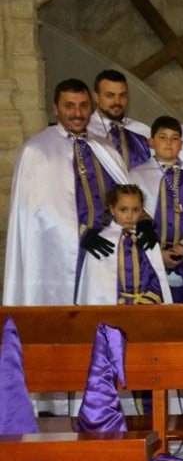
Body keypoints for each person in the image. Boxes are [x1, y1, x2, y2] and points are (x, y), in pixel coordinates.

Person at [4, 78, 130, 306]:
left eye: (83, 105)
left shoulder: (105, 147)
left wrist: (139, 221)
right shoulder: (38, 150)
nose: (77, 113)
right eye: (69, 106)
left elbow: (123, 194)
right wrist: (81, 233)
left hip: (106, 251)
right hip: (60, 254)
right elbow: (37, 213)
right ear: (56, 108)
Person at [129, 115, 183, 303]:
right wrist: (159, 254)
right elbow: (134, 215)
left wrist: (182, 248)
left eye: (174, 138)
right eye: (163, 137)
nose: (169, 143)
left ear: (181, 144)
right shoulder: (137, 175)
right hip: (151, 256)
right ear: (151, 142)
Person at [77, 184, 172, 305]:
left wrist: (147, 300)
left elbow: (156, 277)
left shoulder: (145, 240)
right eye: (123, 210)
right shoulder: (102, 241)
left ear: (142, 209)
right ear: (112, 209)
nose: (129, 216)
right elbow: (95, 287)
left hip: (145, 308)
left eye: (136, 210)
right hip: (111, 310)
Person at [88, 69, 151, 171]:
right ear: (96, 97)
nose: (117, 101)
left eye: (122, 95)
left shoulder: (143, 132)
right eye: (110, 95)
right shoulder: (84, 131)